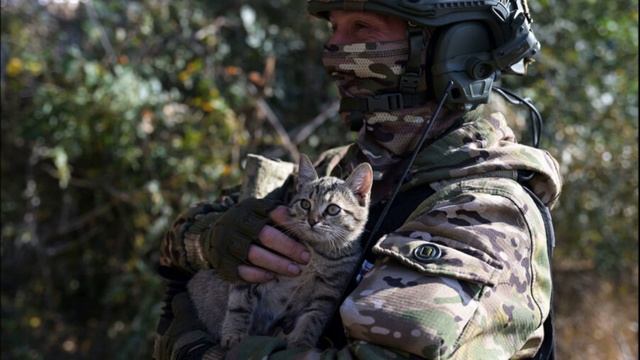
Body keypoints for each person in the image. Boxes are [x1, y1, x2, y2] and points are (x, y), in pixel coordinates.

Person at [153, 0, 563, 359]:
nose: (335, 48)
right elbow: (171, 251)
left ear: (454, 48)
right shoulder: (333, 171)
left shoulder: (486, 213)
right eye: (334, 28)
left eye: (362, 28)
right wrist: (211, 239)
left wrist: (200, 351)